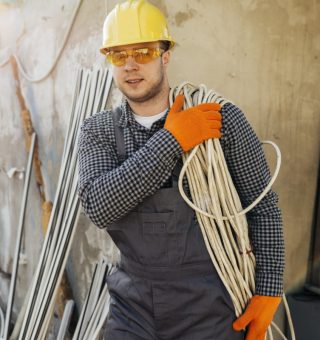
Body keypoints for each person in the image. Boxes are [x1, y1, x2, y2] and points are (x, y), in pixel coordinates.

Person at [77, 1, 285, 339]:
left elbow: (262, 207)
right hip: (132, 307)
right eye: (118, 55)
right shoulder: (99, 130)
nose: (130, 65)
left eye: (143, 51)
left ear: (165, 55)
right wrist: (172, 140)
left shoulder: (220, 120)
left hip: (210, 305)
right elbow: (100, 206)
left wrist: (270, 289)